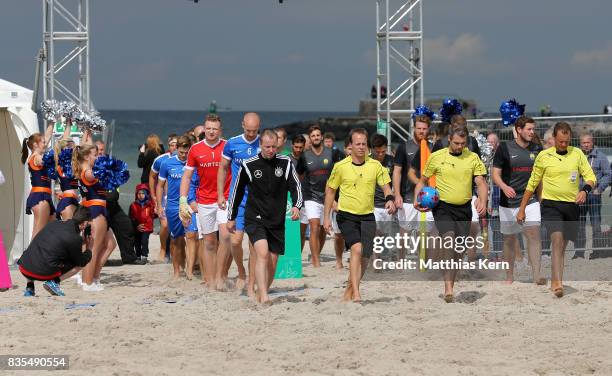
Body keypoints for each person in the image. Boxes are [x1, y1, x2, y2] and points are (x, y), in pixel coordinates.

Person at [517, 122, 596, 298]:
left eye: (566, 141)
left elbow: (590, 177)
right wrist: (522, 208)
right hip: (551, 204)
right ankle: (558, 283)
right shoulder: (544, 156)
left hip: (572, 206)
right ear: (554, 138)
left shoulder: (577, 154)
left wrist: (585, 190)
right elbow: (532, 183)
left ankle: (555, 278)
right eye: (560, 141)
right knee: (557, 239)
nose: (563, 144)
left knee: (562, 246)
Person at [227, 129, 303, 303]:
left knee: (273, 261)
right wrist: (231, 217)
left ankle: (263, 290)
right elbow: (236, 192)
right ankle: (264, 296)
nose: (270, 150)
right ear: (260, 145)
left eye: (273, 147)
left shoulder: (285, 163)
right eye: (267, 147)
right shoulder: (249, 164)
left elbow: (295, 185)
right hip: (255, 217)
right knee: (262, 254)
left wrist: (297, 206)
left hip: (276, 219)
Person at [414, 126, 488, 302]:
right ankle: (447, 286)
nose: (459, 146)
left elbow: (481, 182)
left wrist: (483, 201)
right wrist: (418, 198)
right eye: (456, 143)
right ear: (449, 139)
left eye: (463, 143)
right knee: (448, 238)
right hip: (442, 206)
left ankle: (451, 284)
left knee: (458, 250)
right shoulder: (437, 157)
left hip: (464, 207)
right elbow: (423, 180)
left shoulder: (472, 157)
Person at [324, 128, 395, 302]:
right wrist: (326, 217)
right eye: (358, 144)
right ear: (350, 145)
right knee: (356, 248)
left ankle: (350, 288)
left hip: (367, 215)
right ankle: (356, 293)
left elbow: (386, 186)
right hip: (347, 215)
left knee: (365, 256)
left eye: (364, 144)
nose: (362, 147)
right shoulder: (340, 167)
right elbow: (330, 192)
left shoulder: (375, 165)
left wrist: (390, 199)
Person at [180, 114, 232, 289]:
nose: (211, 132)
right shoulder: (195, 149)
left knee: (226, 236)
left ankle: (221, 276)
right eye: (208, 128)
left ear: (220, 130)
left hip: (224, 199)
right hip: (204, 201)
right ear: (204, 128)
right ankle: (210, 280)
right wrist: (183, 201)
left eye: (215, 129)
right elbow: (187, 176)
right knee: (209, 242)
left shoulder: (227, 146)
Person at [492, 116, 545, 284]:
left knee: (534, 234)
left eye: (533, 129)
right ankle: (509, 277)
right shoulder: (504, 148)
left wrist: (541, 197)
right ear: (519, 129)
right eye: (529, 129)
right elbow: (495, 174)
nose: (532, 132)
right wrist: (504, 187)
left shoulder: (537, 148)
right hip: (508, 202)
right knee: (509, 239)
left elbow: (541, 176)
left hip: (530, 200)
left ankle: (536, 275)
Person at [218, 112, 261, 295]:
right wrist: (221, 194)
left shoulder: (263, 143)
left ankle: (251, 282)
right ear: (243, 125)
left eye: (255, 131)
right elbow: (223, 168)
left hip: (258, 201)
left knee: (254, 244)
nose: (251, 134)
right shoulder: (232, 143)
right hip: (238, 200)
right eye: (249, 130)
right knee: (235, 241)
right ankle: (241, 272)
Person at [17, 206, 93, 296]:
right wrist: (89, 248)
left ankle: (29, 287)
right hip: (42, 274)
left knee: (36, 250)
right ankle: (54, 282)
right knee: (79, 264)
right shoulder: (75, 238)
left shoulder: (53, 223)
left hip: (24, 267)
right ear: (84, 224)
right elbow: (81, 261)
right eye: (88, 224)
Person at [296, 124, 343, 267]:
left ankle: (317, 254)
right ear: (310, 139)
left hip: (328, 197)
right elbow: (298, 175)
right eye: (313, 136)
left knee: (323, 229)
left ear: (321, 136)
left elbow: (340, 173)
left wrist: (336, 197)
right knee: (314, 226)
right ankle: (316, 261)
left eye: (318, 135)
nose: (316, 138)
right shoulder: (304, 156)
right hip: (311, 197)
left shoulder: (332, 153)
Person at [73, 142, 110, 291]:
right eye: (95, 155)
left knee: (107, 244)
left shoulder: (85, 169)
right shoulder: (88, 172)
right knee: (93, 248)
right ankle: (88, 282)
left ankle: (91, 278)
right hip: (95, 210)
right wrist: (109, 169)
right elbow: (98, 177)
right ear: (88, 156)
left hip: (95, 208)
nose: (97, 157)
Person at [157, 136, 193, 279]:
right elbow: (160, 185)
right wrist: (159, 205)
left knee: (191, 237)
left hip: (190, 204)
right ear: (176, 149)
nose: (184, 155)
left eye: (186, 152)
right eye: (181, 152)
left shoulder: (193, 163)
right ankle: (177, 270)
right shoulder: (167, 163)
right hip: (172, 206)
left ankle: (190, 267)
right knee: (176, 239)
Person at [394, 115, 433, 235]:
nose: (421, 131)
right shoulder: (404, 147)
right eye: (419, 128)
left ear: (428, 129)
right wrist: (397, 195)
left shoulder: (433, 147)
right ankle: (400, 255)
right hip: (407, 199)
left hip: (428, 198)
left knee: (426, 235)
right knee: (404, 234)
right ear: (414, 128)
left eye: (424, 128)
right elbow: (397, 172)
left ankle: (424, 255)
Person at [575, 133, 611, 258]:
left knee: (596, 224)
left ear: (593, 142)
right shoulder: (576, 156)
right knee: (579, 225)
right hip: (579, 196)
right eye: (583, 143)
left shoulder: (600, 157)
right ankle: (578, 252)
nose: (585, 145)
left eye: (588, 142)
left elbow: (608, 174)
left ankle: (597, 251)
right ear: (580, 143)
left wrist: (600, 189)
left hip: (594, 195)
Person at [21, 122, 55, 238]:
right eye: (43, 142)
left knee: (48, 231)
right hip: (40, 196)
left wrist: (52, 121)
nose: (46, 143)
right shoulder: (36, 157)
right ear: (35, 144)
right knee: (38, 233)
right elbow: (43, 160)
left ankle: (42, 254)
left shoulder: (37, 154)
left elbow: (47, 136)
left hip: (44, 195)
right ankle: (30, 256)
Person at [150, 134, 178, 262]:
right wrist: (154, 196)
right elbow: (152, 177)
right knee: (165, 226)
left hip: (178, 198)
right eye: (172, 145)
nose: (174, 147)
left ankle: (173, 253)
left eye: (176, 145)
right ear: (168, 146)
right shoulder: (161, 160)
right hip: (164, 198)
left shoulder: (185, 159)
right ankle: (163, 248)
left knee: (176, 228)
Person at [54, 123, 79, 220]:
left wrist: (69, 123)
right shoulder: (63, 165)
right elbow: (63, 143)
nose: (74, 150)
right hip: (68, 201)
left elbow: (65, 140)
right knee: (69, 232)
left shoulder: (66, 165)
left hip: (70, 200)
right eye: (72, 148)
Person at [289, 134, 309, 253]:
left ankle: (297, 256)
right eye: (296, 147)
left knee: (301, 232)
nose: (298, 150)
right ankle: (288, 255)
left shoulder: (308, 159)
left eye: (300, 147)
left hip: (306, 198)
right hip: (290, 199)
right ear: (292, 145)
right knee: (290, 230)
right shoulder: (286, 159)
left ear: (304, 146)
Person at [129, 184, 155, 263]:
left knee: (144, 241)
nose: (140, 195)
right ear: (136, 194)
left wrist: (156, 210)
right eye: (139, 193)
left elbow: (154, 215)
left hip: (146, 227)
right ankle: (138, 256)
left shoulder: (150, 205)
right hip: (137, 227)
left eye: (143, 193)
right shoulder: (133, 205)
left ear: (146, 194)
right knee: (137, 242)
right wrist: (136, 225)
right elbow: (131, 217)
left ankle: (144, 256)